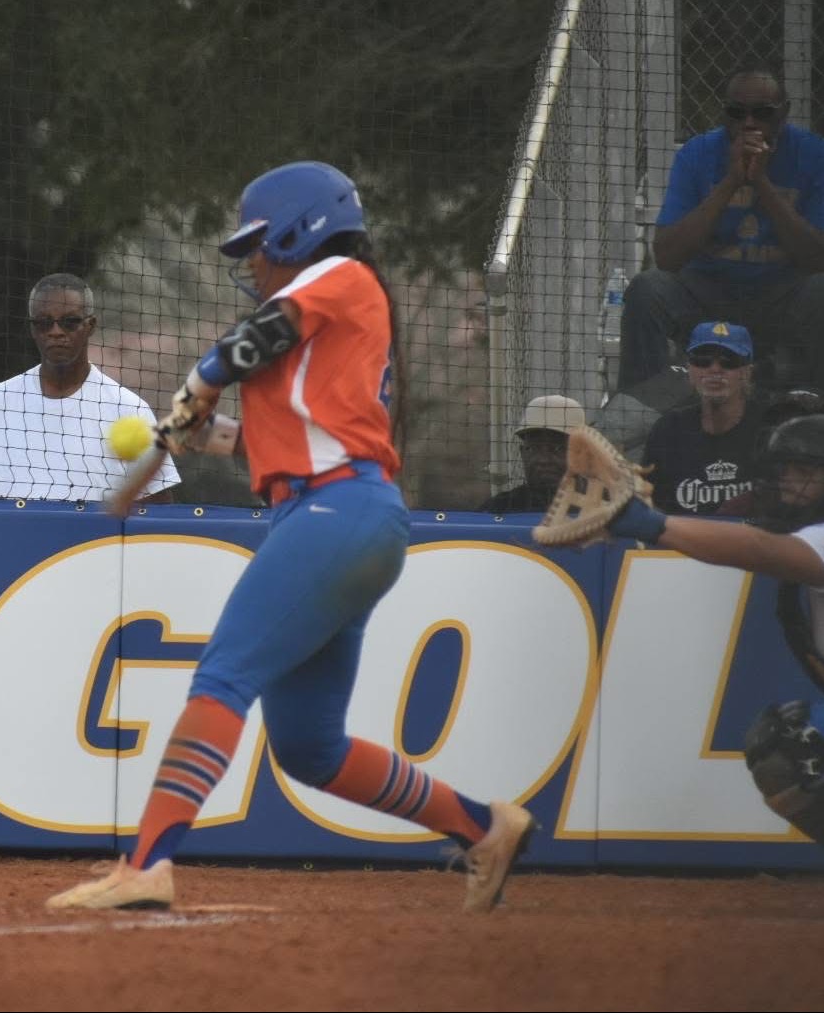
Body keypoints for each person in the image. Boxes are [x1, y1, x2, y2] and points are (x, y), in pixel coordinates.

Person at [45, 161, 536, 914]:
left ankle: (146, 863)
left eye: (257, 245)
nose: (252, 263)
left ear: (298, 232)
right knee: (309, 747)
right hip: (340, 514)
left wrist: (197, 386)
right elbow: (284, 437)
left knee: (223, 675)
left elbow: (246, 344)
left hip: (335, 512)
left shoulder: (338, 276)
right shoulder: (322, 325)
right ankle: (483, 826)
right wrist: (203, 430)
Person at [587, 414, 824, 919]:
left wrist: (652, 524)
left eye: (805, 470)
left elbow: (762, 549)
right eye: (785, 468)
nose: (786, 480)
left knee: (787, 741)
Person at [616, 64, 824, 411]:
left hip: (781, 295)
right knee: (647, 289)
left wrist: (761, 183)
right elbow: (666, 256)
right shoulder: (696, 153)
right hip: (706, 294)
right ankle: (638, 417)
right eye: (737, 113)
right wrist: (730, 182)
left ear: (784, 112)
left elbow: (820, 259)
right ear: (724, 113)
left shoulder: (817, 155)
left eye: (763, 113)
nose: (749, 123)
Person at [0, 273, 180, 502]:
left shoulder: (129, 409)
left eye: (69, 322)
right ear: (32, 329)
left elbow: (157, 511)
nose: (56, 332)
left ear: (90, 325)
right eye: (44, 323)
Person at [641, 322, 766, 515]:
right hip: (682, 534)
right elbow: (648, 502)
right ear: (690, 370)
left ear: (746, 372)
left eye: (729, 361)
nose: (715, 369)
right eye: (702, 360)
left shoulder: (768, 428)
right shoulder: (669, 429)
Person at [479, 395, 585, 513]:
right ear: (522, 453)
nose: (543, 460)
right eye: (533, 448)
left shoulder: (601, 507)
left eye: (557, 448)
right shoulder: (500, 508)